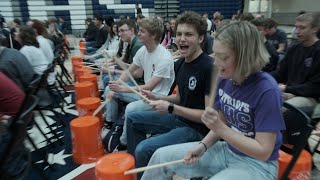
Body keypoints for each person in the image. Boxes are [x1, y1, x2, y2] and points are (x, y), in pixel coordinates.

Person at [141, 21, 285, 180]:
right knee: (160, 156)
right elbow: (222, 121)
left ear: (245, 57)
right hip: (228, 150)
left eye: (222, 57)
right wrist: (203, 146)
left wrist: (220, 128)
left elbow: (263, 151)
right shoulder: (225, 78)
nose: (215, 62)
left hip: (258, 164)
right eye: (215, 54)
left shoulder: (266, 90)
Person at [126, 11, 212, 179]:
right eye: (178, 34)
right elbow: (180, 97)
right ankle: (140, 170)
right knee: (132, 119)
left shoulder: (209, 67)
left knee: (144, 148)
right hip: (179, 119)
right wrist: (158, 97)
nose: (181, 39)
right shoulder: (180, 64)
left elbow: (207, 118)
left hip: (197, 130)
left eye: (188, 34)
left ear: (201, 38)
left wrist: (171, 108)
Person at [103, 17, 175, 150]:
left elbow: (150, 87)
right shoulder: (143, 50)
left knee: (131, 109)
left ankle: (123, 142)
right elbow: (128, 71)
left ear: (153, 35)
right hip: (143, 94)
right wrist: (115, 86)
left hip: (157, 97)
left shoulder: (164, 58)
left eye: (142, 31)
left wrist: (121, 89)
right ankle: (110, 125)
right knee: (108, 89)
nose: (138, 34)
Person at [270, 13, 320, 112]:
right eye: (296, 27)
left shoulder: (318, 51)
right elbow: (280, 73)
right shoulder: (294, 48)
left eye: (302, 28)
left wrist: (286, 88)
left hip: (309, 97)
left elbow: (315, 87)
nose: (297, 31)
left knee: (278, 109)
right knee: (258, 100)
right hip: (288, 91)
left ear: (315, 29)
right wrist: (260, 77)